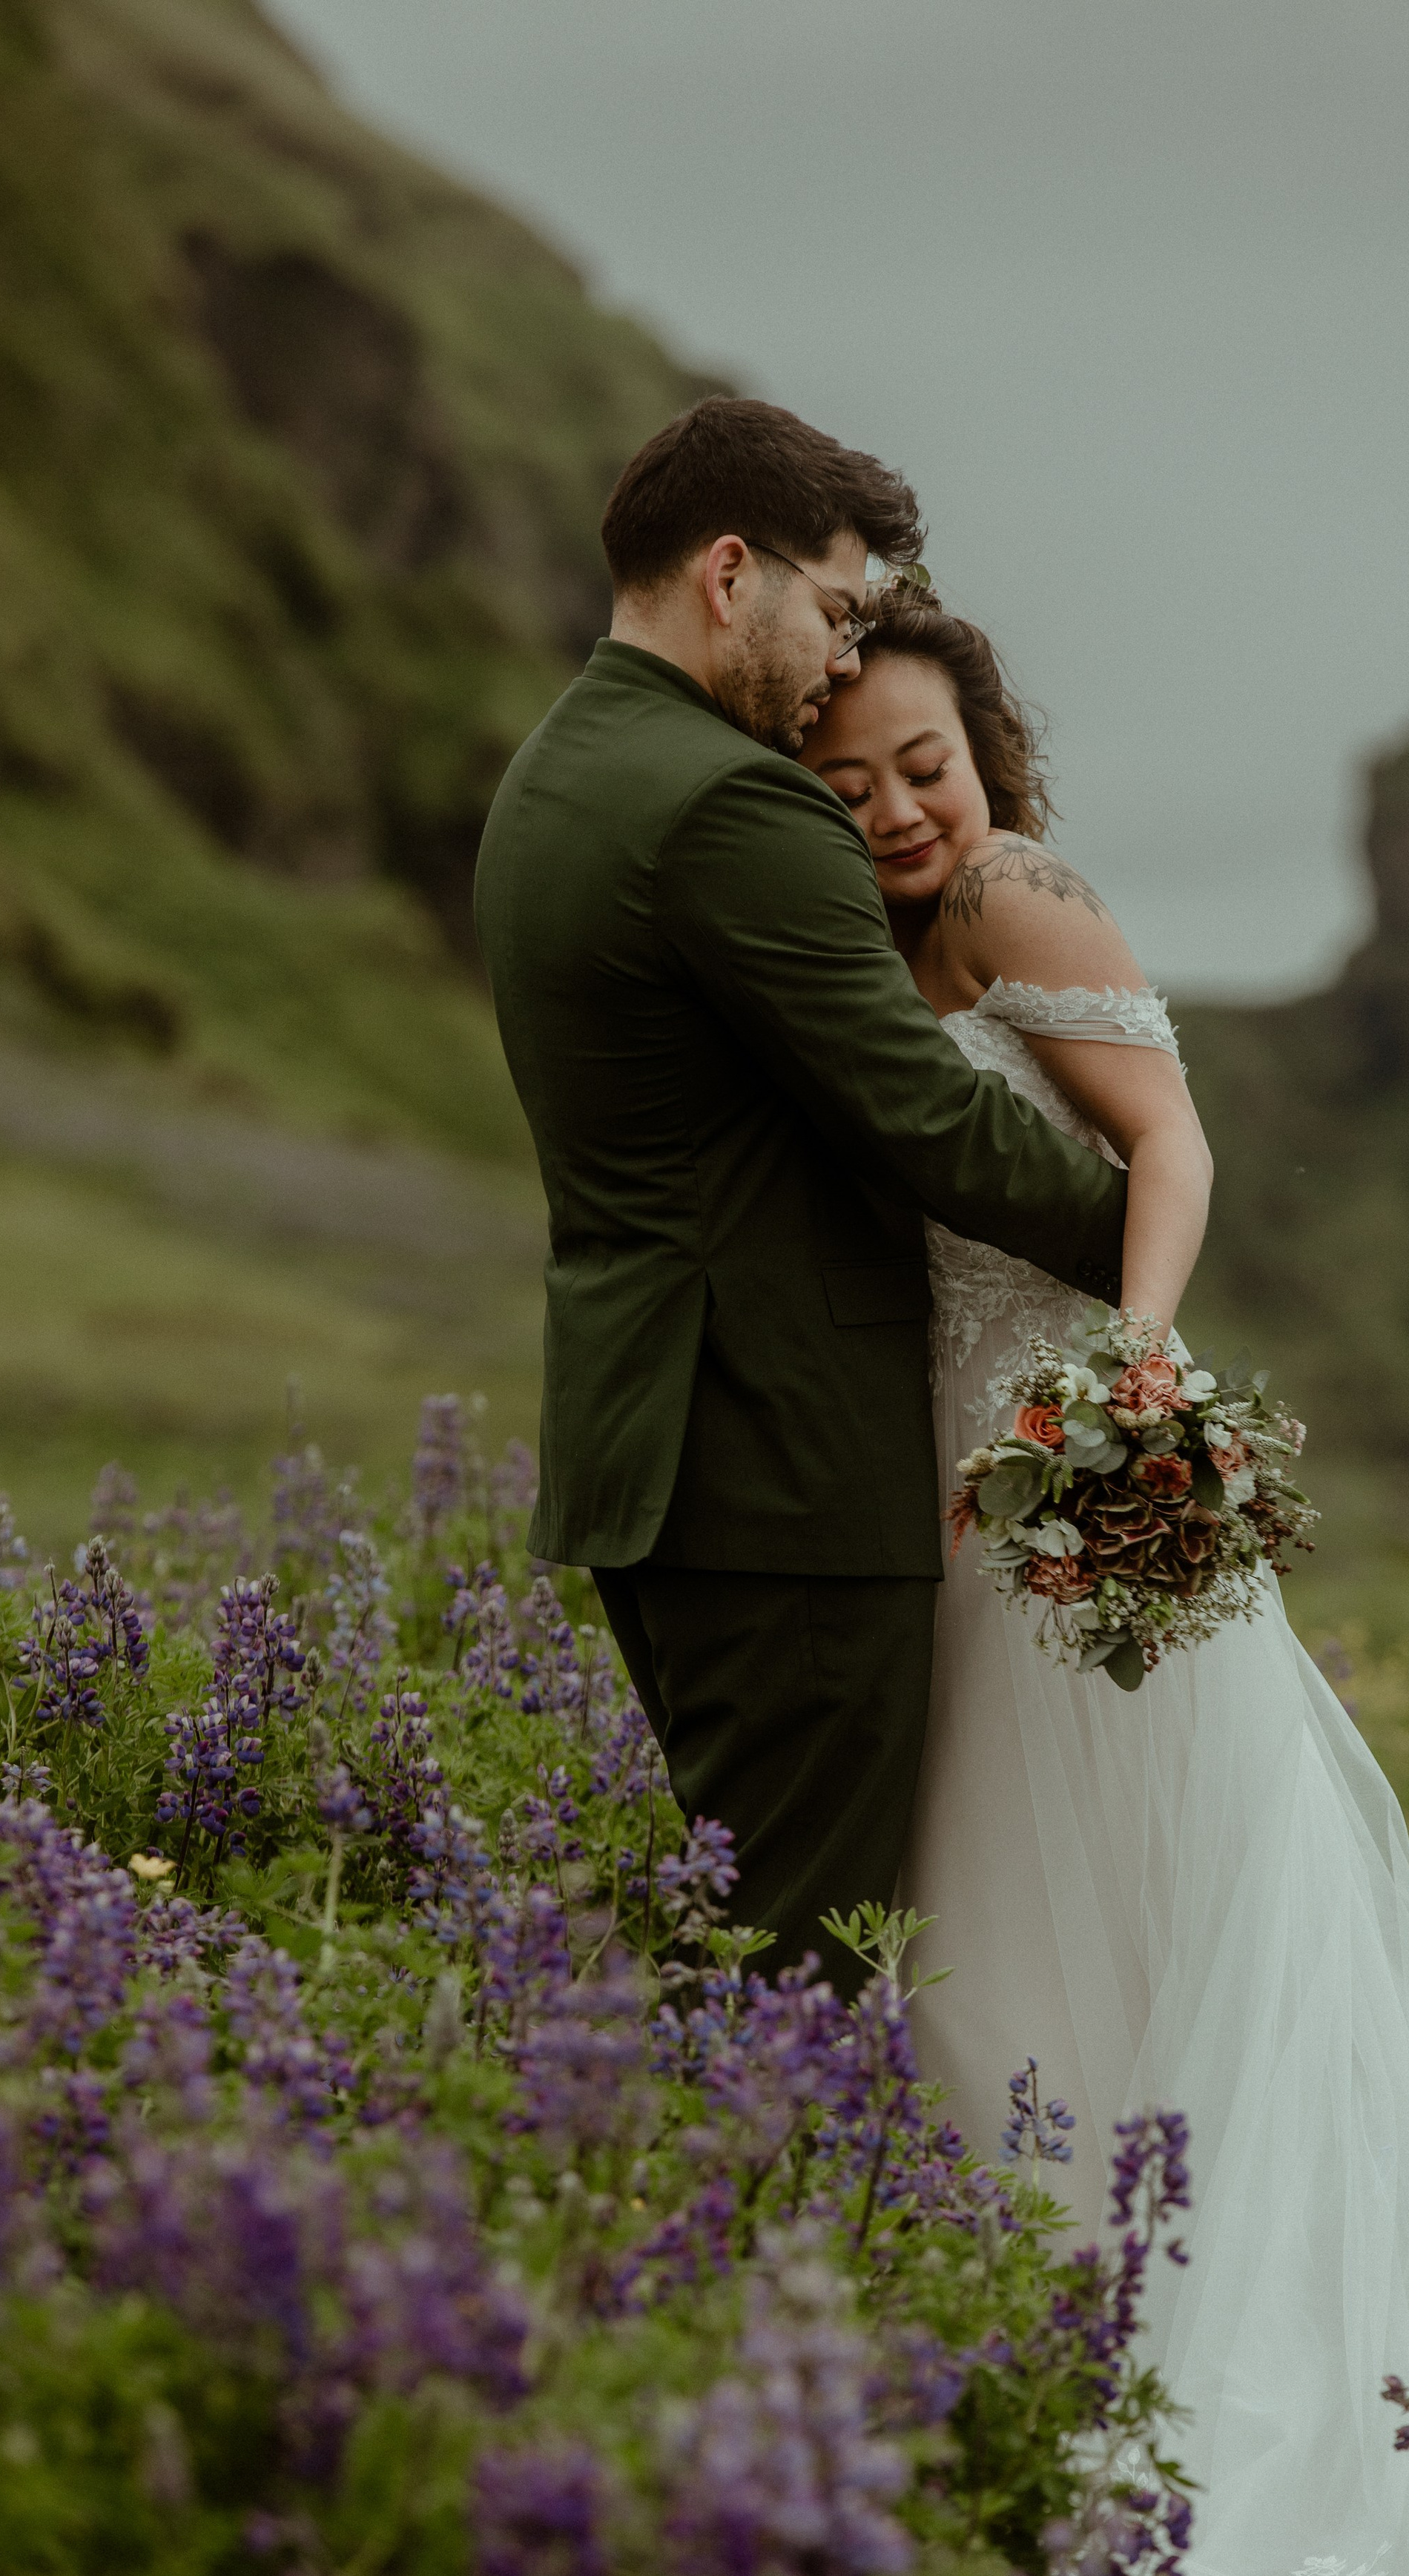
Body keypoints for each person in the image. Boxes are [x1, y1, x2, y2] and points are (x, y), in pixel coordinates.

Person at [801, 595, 1409, 2576]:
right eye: (852, 777)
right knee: (1016, 1947)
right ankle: (1072, 2363)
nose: (894, 808)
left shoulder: (1011, 891)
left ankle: (1265, 2399)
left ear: (989, 755)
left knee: (1207, 1922)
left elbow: (1170, 1142)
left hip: (1086, 1485)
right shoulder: (855, 944)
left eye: (925, 764)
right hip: (964, 1537)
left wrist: (1134, 1376)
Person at [474, 400, 1129, 1996]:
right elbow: (924, 1119)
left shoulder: (554, 777)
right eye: (833, 611)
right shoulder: (729, 802)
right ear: (726, 572)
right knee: (805, 1967)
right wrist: (1141, 1236)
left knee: (749, 1920)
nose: (841, 660)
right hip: (781, 1468)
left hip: (663, 1445)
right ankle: (736, 2237)